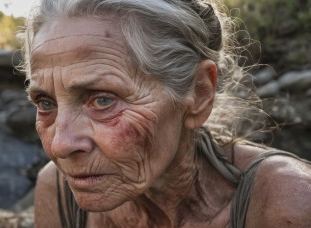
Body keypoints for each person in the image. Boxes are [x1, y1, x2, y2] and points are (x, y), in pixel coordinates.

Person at [20, 0, 311, 227]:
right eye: (46, 103)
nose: (59, 145)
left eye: (102, 100)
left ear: (198, 94)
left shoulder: (286, 204)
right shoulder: (58, 191)